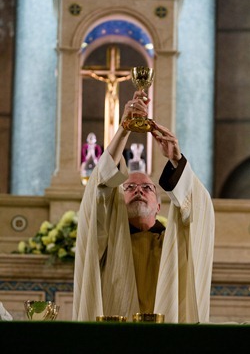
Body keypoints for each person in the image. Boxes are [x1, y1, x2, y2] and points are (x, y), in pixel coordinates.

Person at [73, 90, 215, 323]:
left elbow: (200, 209)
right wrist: (124, 129)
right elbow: (97, 189)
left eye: (148, 188)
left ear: (159, 205)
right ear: (117, 199)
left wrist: (177, 161)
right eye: (128, 188)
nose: (138, 190)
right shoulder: (104, 240)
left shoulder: (177, 242)